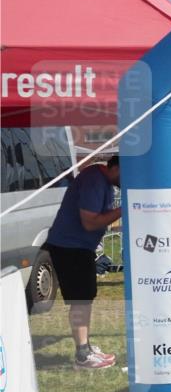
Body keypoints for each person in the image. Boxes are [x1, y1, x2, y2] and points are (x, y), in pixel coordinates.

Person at [42, 156, 122, 369]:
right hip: (70, 247)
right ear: (114, 167)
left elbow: (99, 220)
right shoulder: (94, 180)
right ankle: (82, 354)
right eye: (126, 173)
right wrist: (124, 210)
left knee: (84, 298)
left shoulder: (100, 180)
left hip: (76, 247)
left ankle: (85, 347)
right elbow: (90, 222)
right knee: (81, 300)